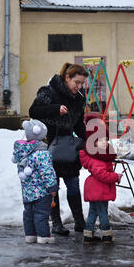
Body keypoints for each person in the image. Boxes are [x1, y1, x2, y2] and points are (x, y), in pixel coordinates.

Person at [29, 63, 88, 235]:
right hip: (48, 146)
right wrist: (55, 109)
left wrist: (88, 140)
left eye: (82, 84)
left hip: (68, 147)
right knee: (52, 187)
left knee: (73, 184)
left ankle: (79, 221)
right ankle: (56, 222)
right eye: (76, 82)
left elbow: (78, 124)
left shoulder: (79, 98)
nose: (79, 87)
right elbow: (34, 111)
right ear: (67, 78)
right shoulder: (49, 91)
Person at [12, 119, 59, 244]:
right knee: (41, 214)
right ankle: (43, 237)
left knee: (28, 214)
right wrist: (52, 188)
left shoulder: (22, 152)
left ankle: (30, 235)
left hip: (27, 191)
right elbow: (47, 172)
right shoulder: (42, 154)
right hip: (41, 192)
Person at [79, 113, 122, 244]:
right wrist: (115, 176)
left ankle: (88, 234)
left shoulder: (100, 155)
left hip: (96, 189)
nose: (105, 142)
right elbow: (102, 175)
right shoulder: (97, 158)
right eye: (101, 140)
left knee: (93, 211)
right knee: (103, 211)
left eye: (106, 139)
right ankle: (106, 234)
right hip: (99, 188)